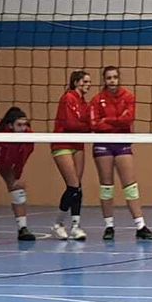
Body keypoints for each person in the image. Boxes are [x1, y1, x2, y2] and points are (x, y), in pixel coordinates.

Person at [90, 66, 152, 241]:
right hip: (103, 144)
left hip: (121, 143)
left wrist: (108, 121)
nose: (112, 80)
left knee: (130, 186)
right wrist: (115, 123)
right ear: (104, 80)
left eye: (115, 77)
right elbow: (95, 124)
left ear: (119, 79)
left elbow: (129, 118)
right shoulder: (97, 100)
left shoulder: (128, 97)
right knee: (106, 186)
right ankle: (109, 226)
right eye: (109, 77)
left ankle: (140, 226)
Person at [0, 107, 36, 242]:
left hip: (8, 159)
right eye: (19, 125)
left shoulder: (29, 137)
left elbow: (24, 157)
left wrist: (17, 176)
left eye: (25, 124)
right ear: (10, 125)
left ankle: (23, 229)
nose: (23, 128)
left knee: (18, 190)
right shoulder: (0, 137)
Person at [52, 70, 92, 241]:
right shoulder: (68, 98)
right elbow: (71, 123)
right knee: (73, 185)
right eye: (85, 81)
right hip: (62, 143)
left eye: (89, 82)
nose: (88, 84)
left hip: (78, 144)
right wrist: (88, 127)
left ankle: (75, 226)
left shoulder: (85, 103)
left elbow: (88, 122)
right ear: (76, 82)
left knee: (78, 187)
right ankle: (58, 223)